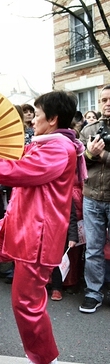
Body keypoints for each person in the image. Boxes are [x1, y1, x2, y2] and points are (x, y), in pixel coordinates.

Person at [0, 90, 82, 364]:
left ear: (52, 119)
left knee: (26, 304)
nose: (33, 121)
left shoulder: (59, 148)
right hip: (16, 223)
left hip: (38, 234)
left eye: (37, 115)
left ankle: (44, 359)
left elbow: (18, 172)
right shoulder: (45, 145)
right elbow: (15, 166)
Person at [78, 85, 110, 314]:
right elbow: (76, 164)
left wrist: (103, 155)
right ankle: (93, 292)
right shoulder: (89, 130)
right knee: (93, 248)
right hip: (92, 198)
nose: (107, 104)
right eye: (103, 100)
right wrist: (89, 154)